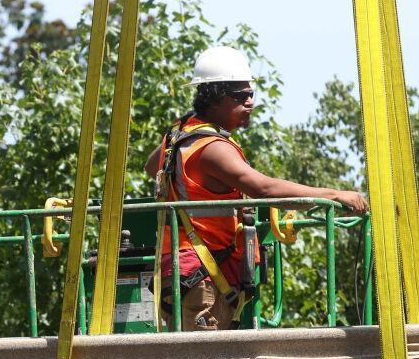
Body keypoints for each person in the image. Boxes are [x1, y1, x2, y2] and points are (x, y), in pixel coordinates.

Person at [144, 45, 369, 331]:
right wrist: (335, 195)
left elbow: (153, 167)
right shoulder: (210, 147)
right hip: (202, 275)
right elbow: (263, 188)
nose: (250, 102)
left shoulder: (181, 134)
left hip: (191, 270)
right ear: (214, 98)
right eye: (241, 96)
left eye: (251, 94)